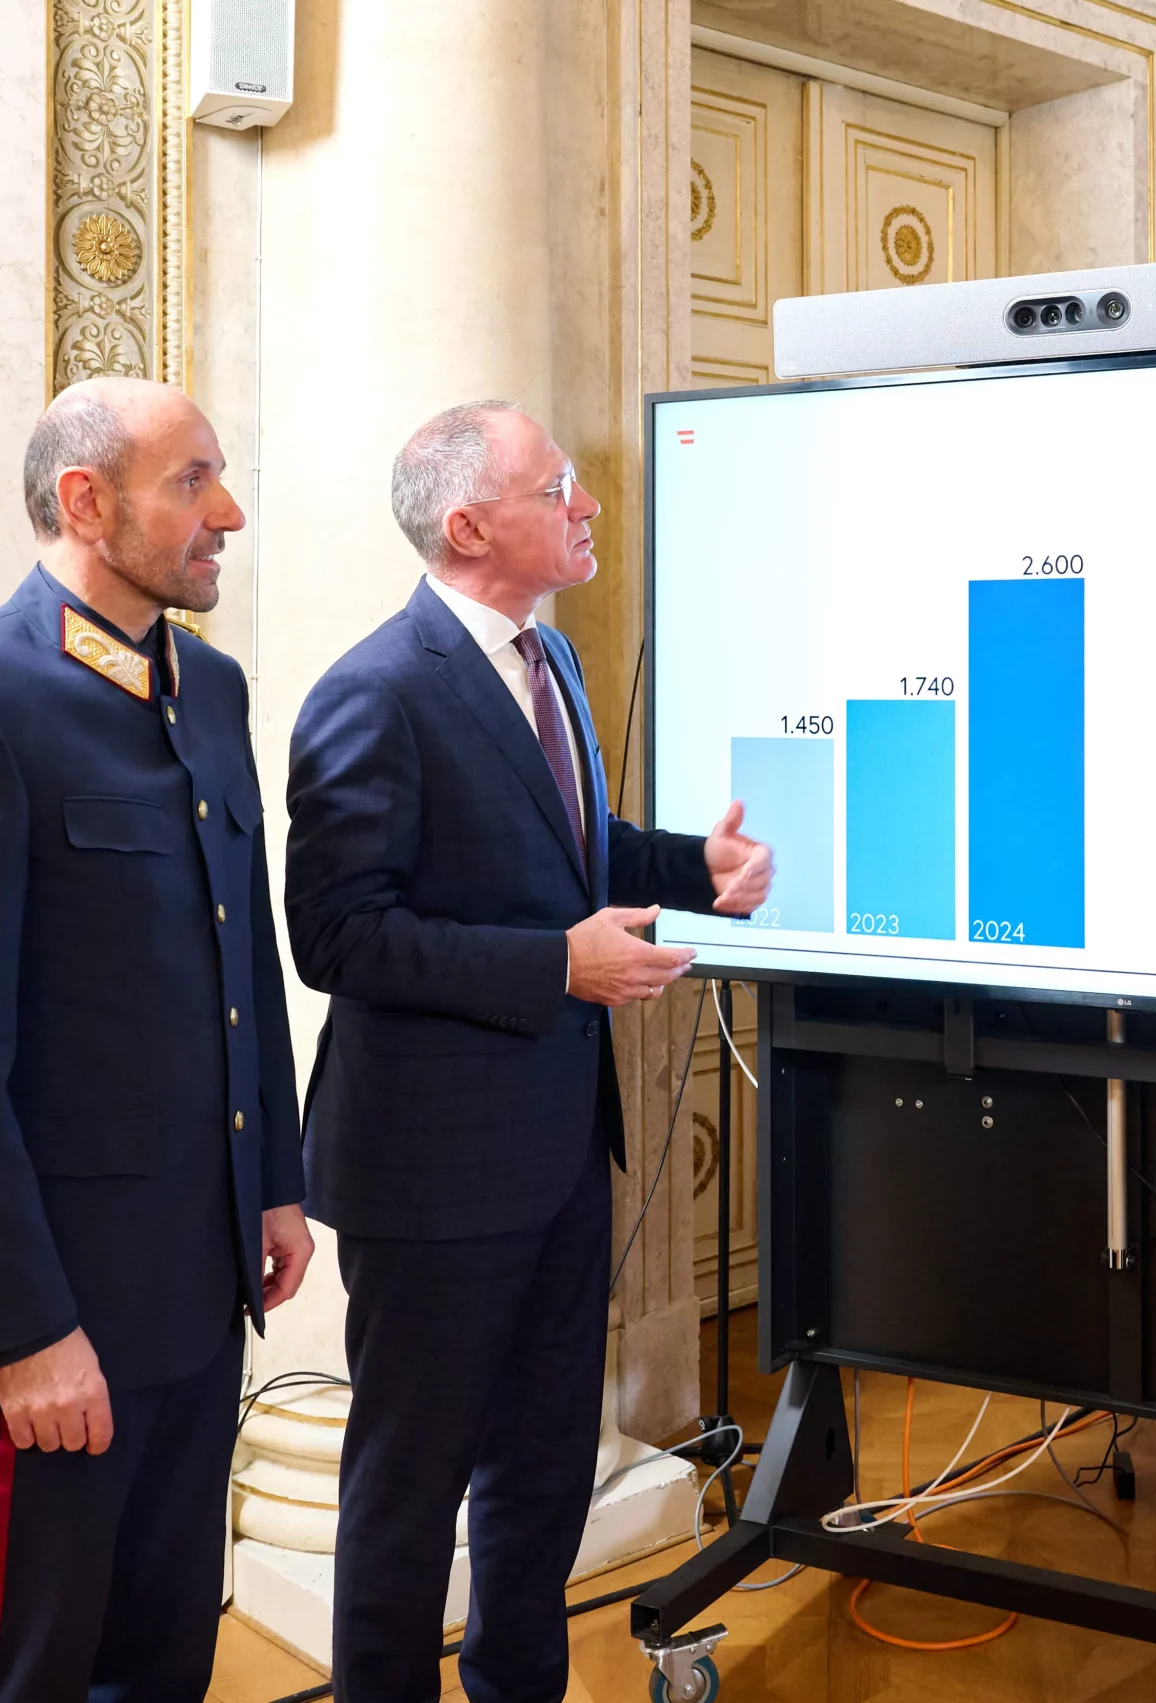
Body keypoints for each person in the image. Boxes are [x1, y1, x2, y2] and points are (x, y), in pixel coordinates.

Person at [287, 401, 772, 1702]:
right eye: (559, 485)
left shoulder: (545, 665)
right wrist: (560, 964)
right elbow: (337, 934)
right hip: (430, 1174)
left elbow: (568, 849)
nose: (588, 502)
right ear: (469, 524)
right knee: (408, 1489)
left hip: (559, 1151)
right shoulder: (374, 691)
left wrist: (694, 869)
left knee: (545, 1469)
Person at [0, 378, 312, 1702]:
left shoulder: (207, 692)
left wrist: (271, 1180)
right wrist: (22, 1329)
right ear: (84, 499)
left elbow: (239, 960)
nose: (227, 512)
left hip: (200, 1283)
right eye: (194, 481)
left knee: (166, 1652)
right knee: (27, 1668)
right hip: (62, 1321)